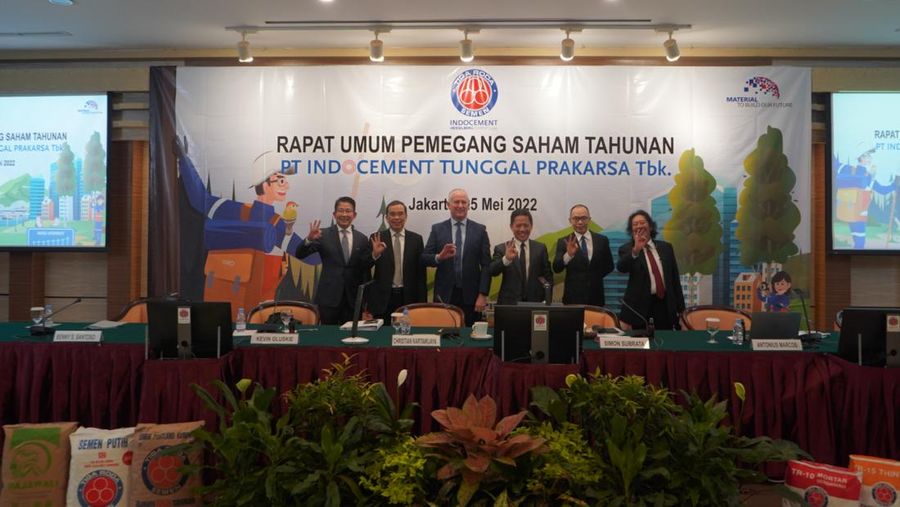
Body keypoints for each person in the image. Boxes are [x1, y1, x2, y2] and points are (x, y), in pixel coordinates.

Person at [295, 196, 373, 325]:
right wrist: (309, 239)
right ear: (334, 214)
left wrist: (365, 300)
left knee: (351, 334)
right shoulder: (322, 235)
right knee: (328, 334)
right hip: (328, 298)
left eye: (348, 211)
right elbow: (300, 254)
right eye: (341, 210)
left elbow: (364, 269)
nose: (344, 214)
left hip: (353, 299)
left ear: (354, 215)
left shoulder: (362, 239)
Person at [422, 188, 491, 326]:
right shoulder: (437, 229)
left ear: (468, 205)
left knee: (472, 335)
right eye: (456, 202)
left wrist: (483, 294)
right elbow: (424, 258)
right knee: (444, 334)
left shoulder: (480, 230)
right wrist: (439, 257)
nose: (460, 205)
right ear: (448, 205)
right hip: (444, 296)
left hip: (472, 297)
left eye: (463, 202)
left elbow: (486, 265)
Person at [617, 209, 685, 330]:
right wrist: (636, 250)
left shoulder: (666, 248)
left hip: (664, 306)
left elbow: (674, 279)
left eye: (642, 222)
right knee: (642, 341)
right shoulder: (627, 249)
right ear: (631, 230)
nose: (639, 226)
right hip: (640, 309)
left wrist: (681, 309)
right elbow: (622, 268)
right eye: (635, 224)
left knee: (665, 339)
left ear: (651, 226)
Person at [368, 200, 427, 321]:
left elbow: (421, 274)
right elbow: (364, 266)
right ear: (386, 217)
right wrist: (374, 255)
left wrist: (422, 302)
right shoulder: (376, 237)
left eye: (400, 214)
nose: (396, 217)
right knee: (384, 332)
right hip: (383, 299)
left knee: (406, 331)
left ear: (406, 216)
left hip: (409, 298)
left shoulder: (416, 239)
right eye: (392, 214)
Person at [835, 147, 897, 249]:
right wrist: (894, 185)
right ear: (861, 157)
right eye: (868, 156)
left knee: (857, 241)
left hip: (848, 210)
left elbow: (882, 190)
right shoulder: (867, 175)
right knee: (860, 243)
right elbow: (882, 190)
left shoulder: (847, 169)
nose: (870, 158)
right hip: (859, 214)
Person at [552, 204, 614, 305]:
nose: (580, 222)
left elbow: (609, 266)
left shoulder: (602, 240)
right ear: (570, 220)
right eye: (576, 218)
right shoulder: (564, 241)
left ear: (589, 219)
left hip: (596, 297)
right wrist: (568, 255)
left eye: (584, 218)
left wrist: (594, 277)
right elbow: (556, 268)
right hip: (572, 298)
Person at [489, 209, 553, 305]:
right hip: (509, 304)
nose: (522, 229)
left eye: (526, 225)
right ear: (511, 227)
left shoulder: (540, 248)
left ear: (531, 226)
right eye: (518, 226)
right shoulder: (502, 248)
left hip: (535, 303)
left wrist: (547, 300)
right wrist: (506, 259)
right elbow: (492, 271)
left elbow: (548, 276)